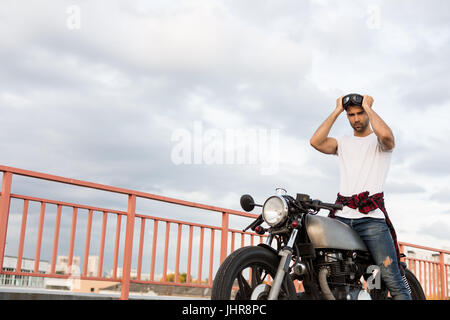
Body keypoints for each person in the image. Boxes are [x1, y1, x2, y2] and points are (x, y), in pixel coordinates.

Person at [309, 93, 412, 300]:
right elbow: (316, 142)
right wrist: (337, 110)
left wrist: (369, 107)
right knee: (334, 276)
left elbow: (387, 137)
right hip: (342, 218)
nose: (356, 119)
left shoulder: (379, 142)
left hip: (371, 220)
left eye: (360, 113)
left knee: (393, 280)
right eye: (351, 115)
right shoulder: (343, 142)